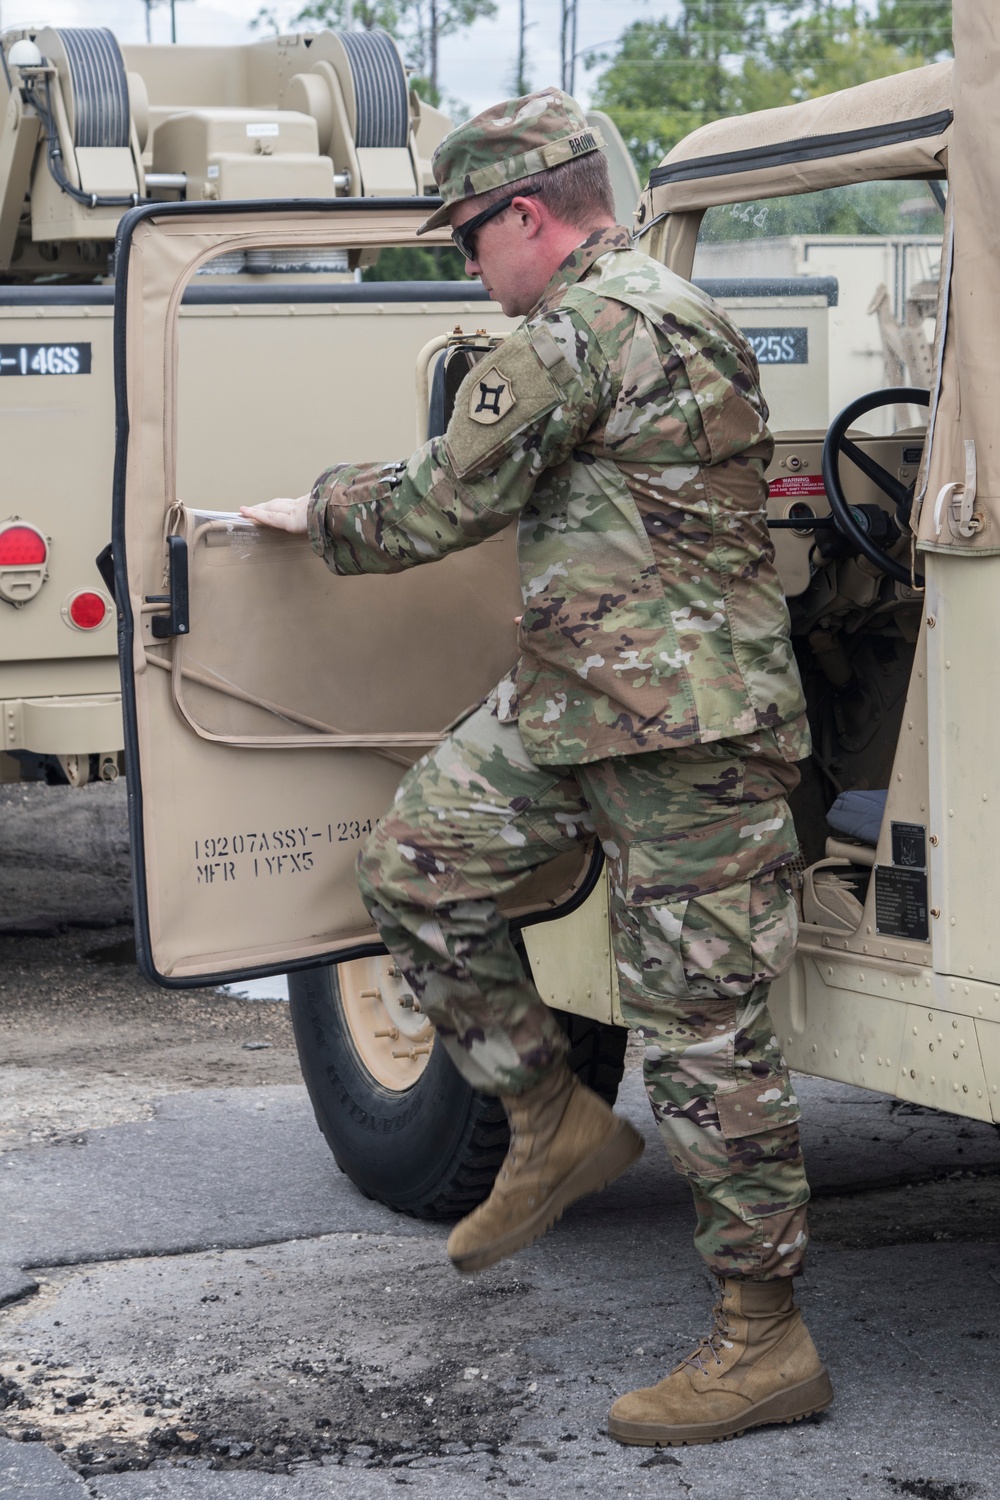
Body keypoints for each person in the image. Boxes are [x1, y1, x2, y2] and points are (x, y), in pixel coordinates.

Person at [242, 88, 833, 1447]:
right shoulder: (689, 313)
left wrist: (308, 508)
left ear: (527, 216)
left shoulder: (573, 334)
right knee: (412, 865)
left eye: (467, 239)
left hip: (686, 735)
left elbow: (436, 504)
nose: (468, 266)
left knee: (704, 1038)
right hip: (581, 706)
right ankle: (550, 1116)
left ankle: (765, 1343)